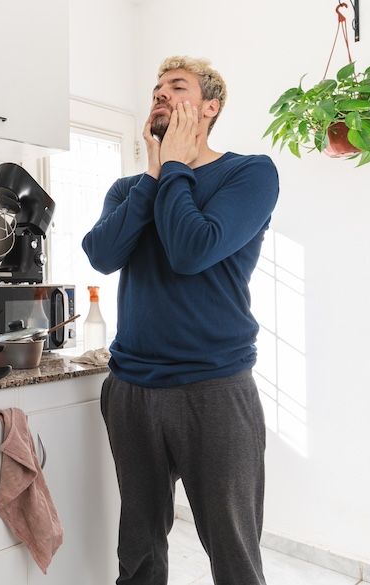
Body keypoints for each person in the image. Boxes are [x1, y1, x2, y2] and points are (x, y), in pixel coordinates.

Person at [82, 56, 279, 585]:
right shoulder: (130, 189)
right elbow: (101, 254)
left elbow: (192, 249)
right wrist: (154, 173)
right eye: (155, 90)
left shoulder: (250, 173)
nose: (160, 96)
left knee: (233, 555)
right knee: (138, 550)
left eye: (176, 87)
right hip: (131, 388)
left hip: (213, 389)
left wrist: (174, 168)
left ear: (210, 107)